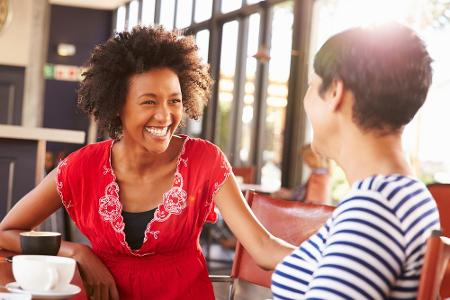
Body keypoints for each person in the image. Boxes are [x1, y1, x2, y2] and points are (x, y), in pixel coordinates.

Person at [0, 26, 294, 300]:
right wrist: (76, 252)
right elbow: (5, 233)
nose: (165, 116)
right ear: (117, 105)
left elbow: (263, 247)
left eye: (174, 101)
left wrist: (334, 258)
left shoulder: (206, 160)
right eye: (149, 102)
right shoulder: (81, 167)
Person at [271, 23, 441, 299]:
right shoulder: (405, 196)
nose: (305, 100)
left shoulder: (376, 208)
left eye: (311, 85)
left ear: (335, 91)